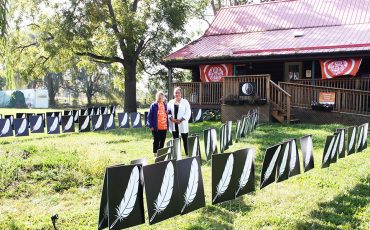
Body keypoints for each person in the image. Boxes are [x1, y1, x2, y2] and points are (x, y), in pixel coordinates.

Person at [167, 87, 191, 155]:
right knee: (176, 139)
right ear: (174, 94)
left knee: (185, 139)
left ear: (181, 94)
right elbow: (168, 112)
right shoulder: (171, 102)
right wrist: (171, 118)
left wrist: (181, 119)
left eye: (178, 92)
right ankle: (177, 154)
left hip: (182, 123)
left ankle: (187, 153)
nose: (177, 94)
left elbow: (188, 112)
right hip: (174, 123)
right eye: (175, 93)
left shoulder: (185, 102)